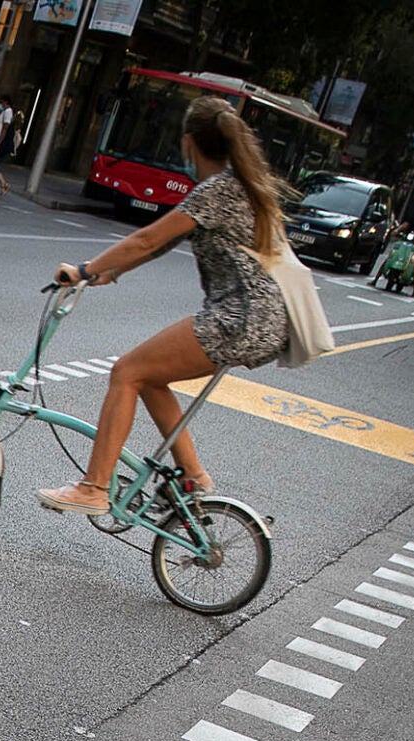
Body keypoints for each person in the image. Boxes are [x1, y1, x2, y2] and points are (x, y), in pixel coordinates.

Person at [35, 96, 291, 516]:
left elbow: (147, 239)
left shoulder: (217, 191)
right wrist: (106, 273)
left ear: (188, 143)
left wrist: (84, 269)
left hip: (239, 319)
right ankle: (193, 477)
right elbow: (157, 248)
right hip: (259, 321)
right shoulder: (235, 187)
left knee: (127, 372)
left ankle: (94, 487)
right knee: (150, 378)